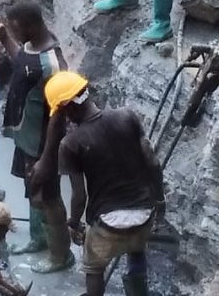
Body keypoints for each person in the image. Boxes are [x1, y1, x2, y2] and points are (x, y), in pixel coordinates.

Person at [45, 71, 165, 296]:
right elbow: (152, 162)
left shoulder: (70, 144)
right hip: (143, 214)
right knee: (136, 250)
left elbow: (79, 194)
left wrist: (73, 223)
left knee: (93, 268)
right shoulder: (127, 116)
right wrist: (159, 200)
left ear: (68, 108)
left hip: (107, 224)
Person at [0, 0, 73, 273]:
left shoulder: (53, 65)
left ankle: (61, 255)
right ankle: (39, 239)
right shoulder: (30, 46)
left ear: (31, 25)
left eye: (14, 29)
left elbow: (58, 117)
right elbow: (23, 65)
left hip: (42, 144)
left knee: (48, 198)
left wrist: (48, 159)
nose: (13, 33)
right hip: (26, 137)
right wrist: (4, 40)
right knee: (33, 192)